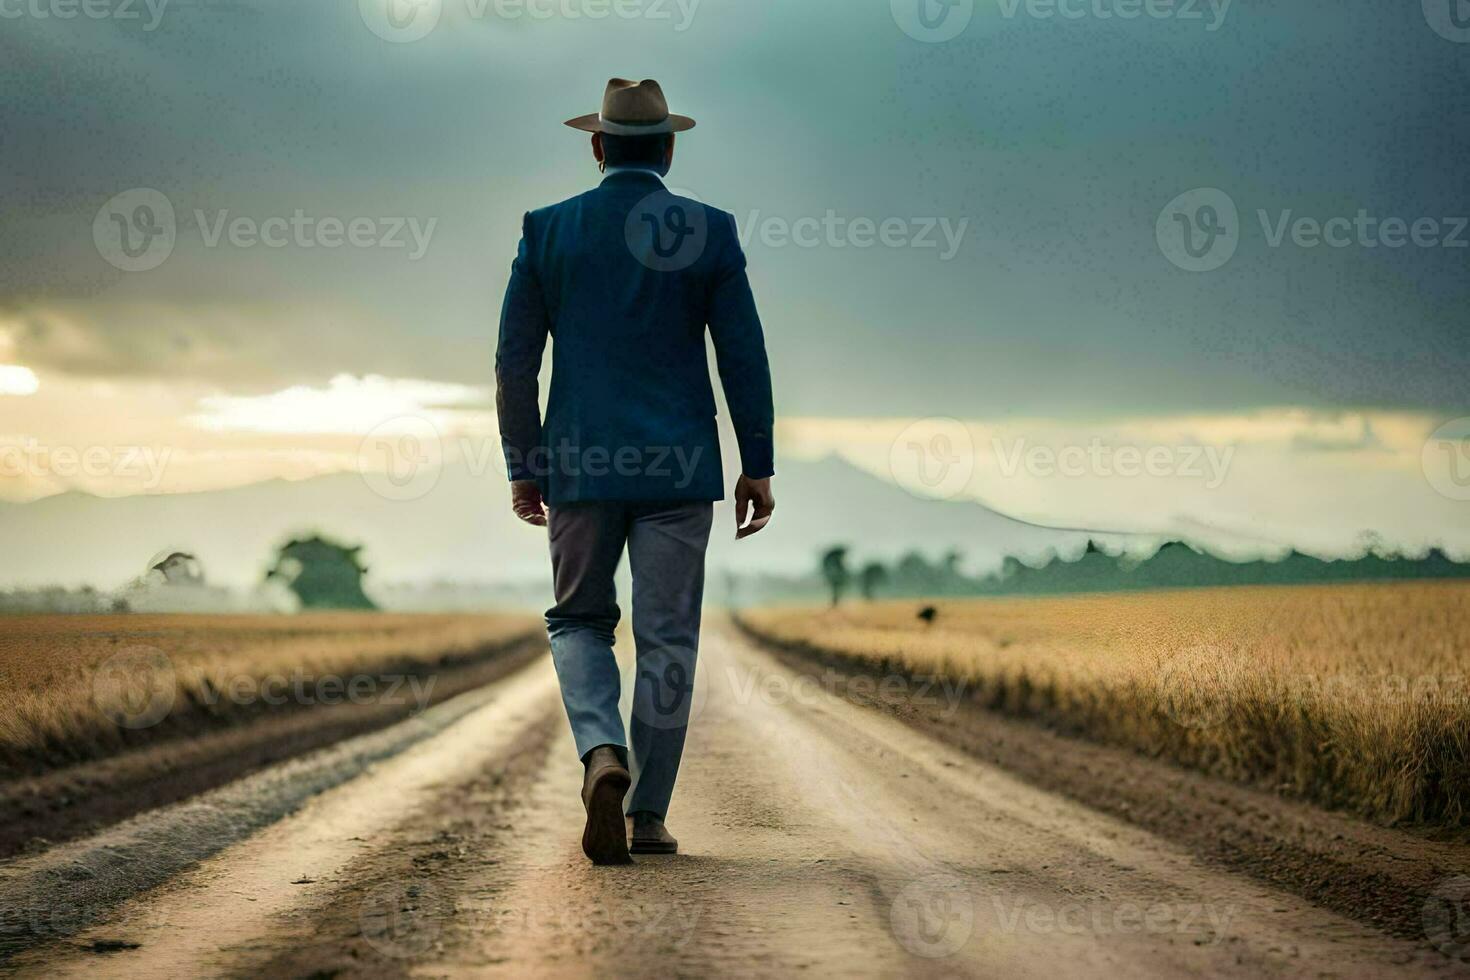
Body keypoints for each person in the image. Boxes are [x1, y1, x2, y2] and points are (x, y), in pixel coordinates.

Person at [495, 78, 776, 865]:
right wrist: (758, 462)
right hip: (680, 470)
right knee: (667, 644)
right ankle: (647, 814)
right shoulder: (711, 231)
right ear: (670, 148)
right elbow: (742, 353)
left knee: (580, 620)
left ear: (596, 146)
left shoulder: (547, 230)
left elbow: (516, 364)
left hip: (580, 467)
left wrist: (525, 464)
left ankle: (600, 754)